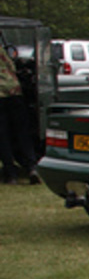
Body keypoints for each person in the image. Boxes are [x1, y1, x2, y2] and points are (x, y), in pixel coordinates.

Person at [0, 43, 39, 185]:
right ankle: (32, 167)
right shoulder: (2, 50)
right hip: (14, 91)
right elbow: (12, 67)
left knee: (3, 136)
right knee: (23, 131)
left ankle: (11, 174)